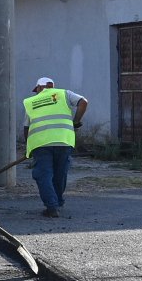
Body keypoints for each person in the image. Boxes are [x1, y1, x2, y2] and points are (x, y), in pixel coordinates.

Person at [22, 77, 88, 218]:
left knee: (43, 174)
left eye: (36, 89)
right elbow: (83, 102)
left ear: (39, 87)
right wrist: (76, 122)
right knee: (60, 173)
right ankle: (57, 201)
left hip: (41, 144)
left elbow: (26, 128)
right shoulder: (64, 94)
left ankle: (52, 206)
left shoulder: (31, 101)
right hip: (63, 141)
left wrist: (29, 148)